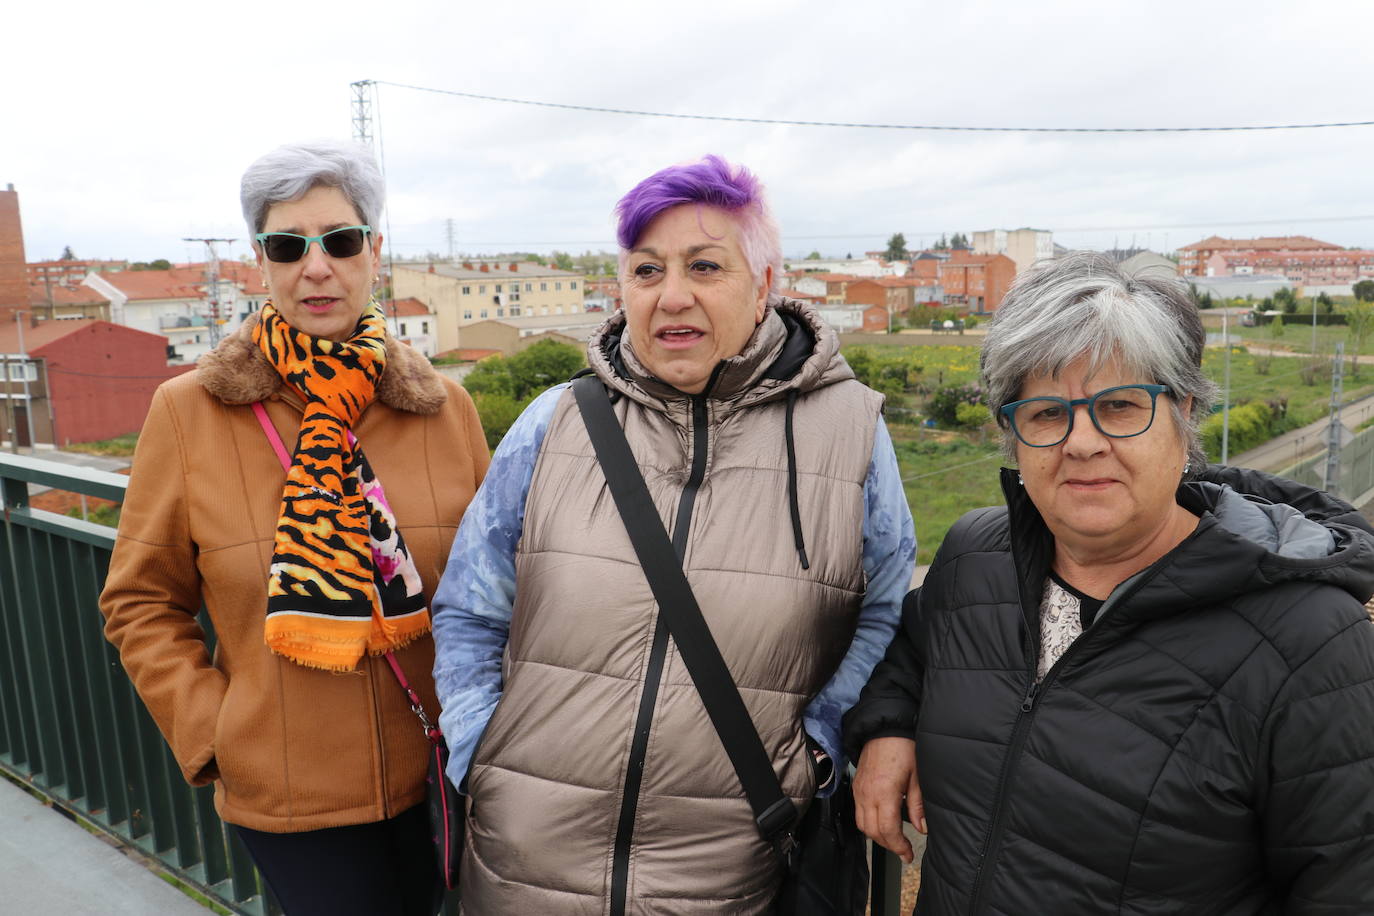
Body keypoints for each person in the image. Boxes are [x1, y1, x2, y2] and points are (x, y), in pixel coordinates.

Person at [430, 155, 916, 914]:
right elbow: (470, 607)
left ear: (764, 284)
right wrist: (480, 753)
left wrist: (813, 755)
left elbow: (882, 612)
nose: (672, 295)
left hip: (731, 871)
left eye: (705, 266)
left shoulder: (850, 434)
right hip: (523, 859)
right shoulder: (555, 422)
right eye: (647, 269)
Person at [844, 251, 1374, 913]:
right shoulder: (975, 556)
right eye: (1045, 413)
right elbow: (913, 651)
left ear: (1183, 414)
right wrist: (887, 729)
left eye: (1120, 406)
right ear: (1013, 435)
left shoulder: (1309, 643)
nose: (1082, 442)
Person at [99, 140, 490, 916]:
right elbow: (140, 603)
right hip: (288, 803)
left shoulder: (445, 409)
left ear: (374, 252)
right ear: (261, 262)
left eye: (341, 241)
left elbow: (499, 594)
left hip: (446, 779)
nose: (318, 267)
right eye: (289, 246)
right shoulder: (190, 413)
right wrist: (220, 737)